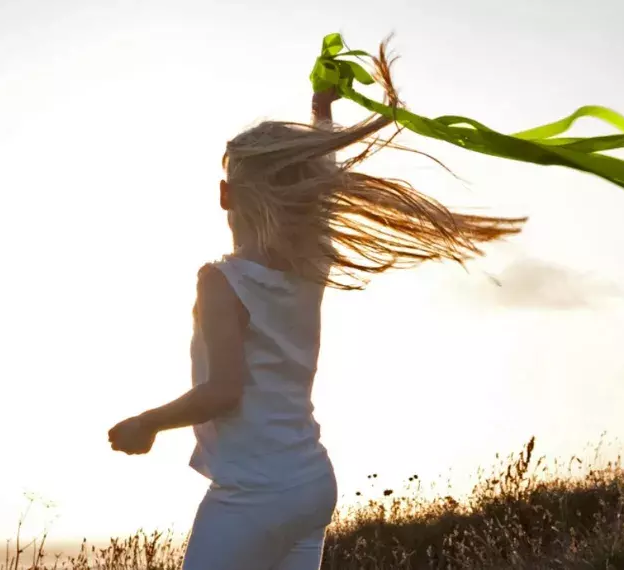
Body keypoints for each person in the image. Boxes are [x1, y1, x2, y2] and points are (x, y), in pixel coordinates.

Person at [105, 42, 526, 569]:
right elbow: (320, 187)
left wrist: (147, 422)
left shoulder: (221, 281)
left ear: (223, 194)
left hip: (251, 497)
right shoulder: (310, 265)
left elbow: (223, 391)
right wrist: (322, 111)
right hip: (308, 485)